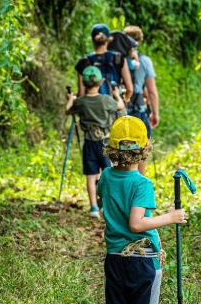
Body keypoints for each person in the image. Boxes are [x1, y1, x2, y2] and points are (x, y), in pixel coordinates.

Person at [97, 116, 186, 304]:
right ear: (145, 149)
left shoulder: (106, 177)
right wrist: (170, 217)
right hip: (140, 259)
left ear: (111, 148)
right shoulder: (142, 183)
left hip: (114, 257)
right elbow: (137, 224)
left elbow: (112, 204)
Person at [66, 65, 124, 218]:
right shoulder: (106, 100)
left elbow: (68, 110)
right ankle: (106, 206)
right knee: (107, 174)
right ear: (100, 83)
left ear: (84, 84)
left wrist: (71, 100)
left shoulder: (81, 102)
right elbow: (120, 106)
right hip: (104, 142)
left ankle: (93, 207)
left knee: (91, 176)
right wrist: (117, 95)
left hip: (89, 142)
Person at [123, 26, 159, 174]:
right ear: (139, 41)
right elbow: (151, 91)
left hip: (121, 109)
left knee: (121, 149)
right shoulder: (145, 61)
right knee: (142, 150)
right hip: (139, 110)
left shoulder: (117, 59)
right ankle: (138, 184)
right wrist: (155, 113)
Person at [75, 23, 133, 103]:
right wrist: (124, 101)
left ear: (92, 40)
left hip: (92, 110)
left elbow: (81, 94)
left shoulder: (83, 62)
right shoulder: (118, 58)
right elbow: (129, 89)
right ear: (108, 40)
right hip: (114, 108)